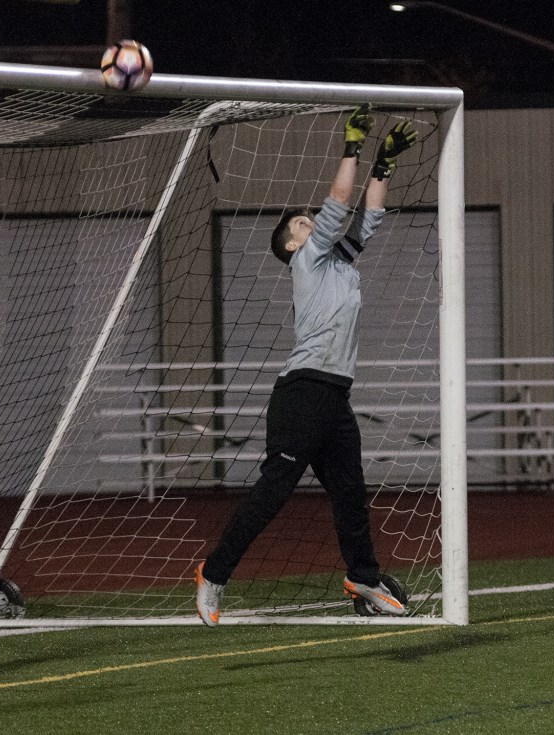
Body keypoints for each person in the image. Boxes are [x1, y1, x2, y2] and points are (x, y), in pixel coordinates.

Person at [195, 105, 418, 626]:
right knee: (274, 492)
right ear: (294, 243)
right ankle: (213, 573)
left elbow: (367, 217)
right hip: (301, 395)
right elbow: (339, 203)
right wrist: (352, 148)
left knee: (350, 494)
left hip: (334, 397)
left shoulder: (339, 261)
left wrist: (382, 165)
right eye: (303, 222)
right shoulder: (306, 259)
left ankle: (363, 578)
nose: (311, 221)